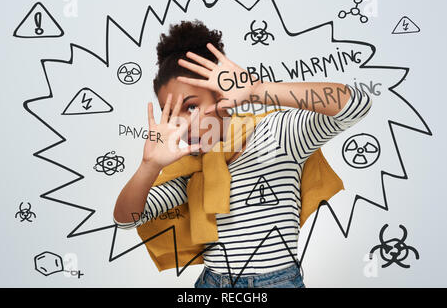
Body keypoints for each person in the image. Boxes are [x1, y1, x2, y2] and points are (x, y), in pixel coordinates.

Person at [113, 20, 372, 288]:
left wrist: (259, 91)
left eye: (190, 107)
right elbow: (127, 219)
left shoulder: (276, 136)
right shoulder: (188, 168)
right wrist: (148, 166)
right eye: (170, 113)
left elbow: (356, 105)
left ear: (221, 96)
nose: (182, 124)